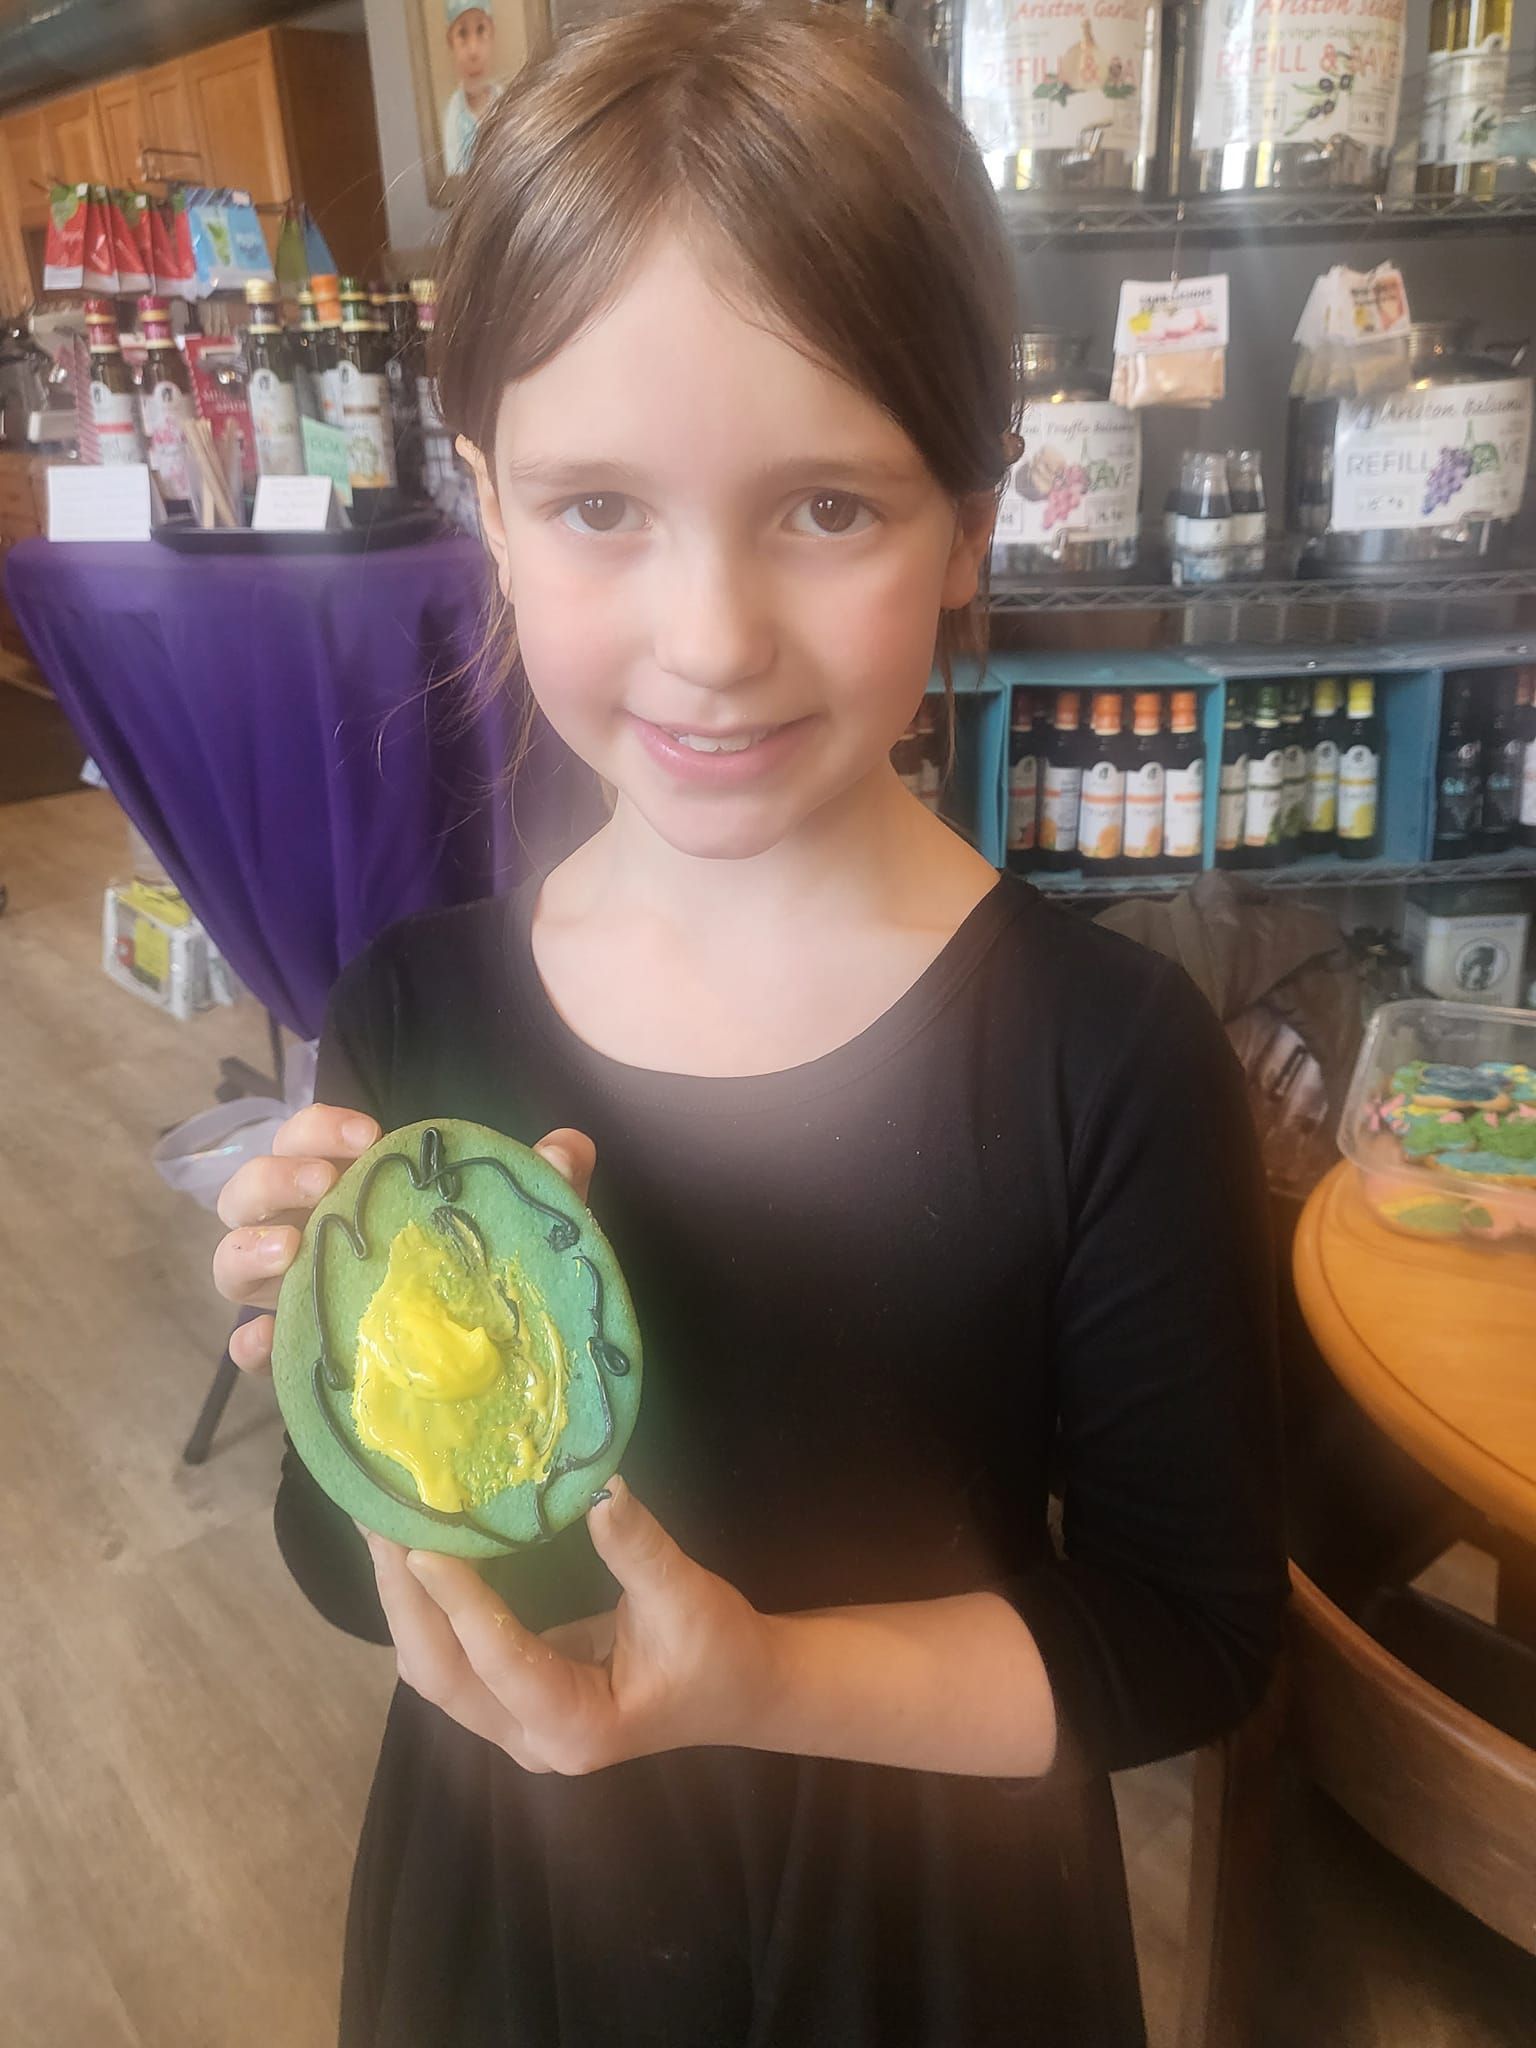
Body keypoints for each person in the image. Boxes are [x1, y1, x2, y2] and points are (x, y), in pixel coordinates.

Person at [213, 4, 1287, 2042]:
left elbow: (1185, 1627)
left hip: (933, 1948)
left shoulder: (1111, 1058)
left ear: (976, 516)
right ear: (489, 504)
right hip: (510, 1930)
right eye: (601, 504)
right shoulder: (418, 1006)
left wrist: (765, 1678)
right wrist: (321, 1383)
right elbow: (338, 1556)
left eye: (828, 507)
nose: (711, 639)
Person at [440, 0, 501, 178]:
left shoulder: (506, 104)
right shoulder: (454, 114)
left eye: (481, 30)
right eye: (462, 34)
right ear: (450, 42)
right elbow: (454, 179)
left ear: (492, 34)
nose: (473, 51)